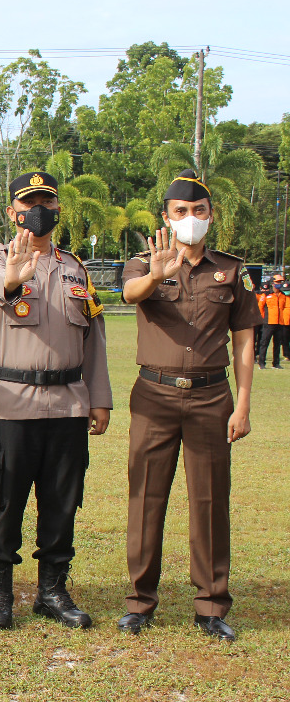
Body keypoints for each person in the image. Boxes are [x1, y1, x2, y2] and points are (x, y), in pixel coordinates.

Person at [118, 169, 260, 642]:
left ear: (210, 216)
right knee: (146, 498)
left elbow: (243, 341)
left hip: (210, 397)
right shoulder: (145, 263)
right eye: (181, 212)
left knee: (210, 501)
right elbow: (129, 294)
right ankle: (139, 602)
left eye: (199, 211)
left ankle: (211, 606)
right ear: (166, 217)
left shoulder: (231, 270)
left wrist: (241, 406)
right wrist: (159, 274)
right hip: (153, 394)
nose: (191, 219)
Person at [0, 171, 113, 630]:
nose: (38, 211)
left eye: (46, 203)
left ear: (57, 211)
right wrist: (15, 277)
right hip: (13, 402)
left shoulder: (76, 268)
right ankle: (0, 591)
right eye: (29, 203)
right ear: (12, 211)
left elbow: (94, 338)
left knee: (62, 501)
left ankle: (52, 590)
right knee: (5, 500)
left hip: (70, 403)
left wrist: (100, 399)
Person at [256, 276, 284, 369]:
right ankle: (262, 363)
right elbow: (260, 307)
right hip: (268, 322)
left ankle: (276, 363)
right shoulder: (266, 295)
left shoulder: (282, 295)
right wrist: (263, 319)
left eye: (280, 282)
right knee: (264, 343)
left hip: (279, 323)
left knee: (277, 344)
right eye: (277, 282)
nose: (279, 283)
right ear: (272, 283)